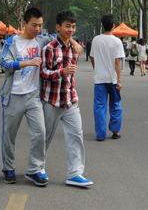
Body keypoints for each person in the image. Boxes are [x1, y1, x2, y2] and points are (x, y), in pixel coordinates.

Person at [40, 11, 93, 188]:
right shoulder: (49, 48)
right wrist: (60, 72)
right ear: (58, 27)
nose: (71, 30)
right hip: (51, 100)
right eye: (67, 26)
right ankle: (37, 167)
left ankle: (75, 173)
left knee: (76, 136)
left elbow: (72, 71)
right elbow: (43, 73)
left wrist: (75, 43)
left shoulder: (75, 48)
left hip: (70, 100)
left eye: (73, 27)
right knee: (44, 137)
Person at [0, 7, 49, 186]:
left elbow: (60, 39)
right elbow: (4, 62)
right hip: (13, 95)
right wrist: (27, 62)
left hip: (33, 95)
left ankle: (35, 169)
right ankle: (8, 168)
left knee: (40, 132)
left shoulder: (42, 40)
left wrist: (73, 42)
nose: (37, 29)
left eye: (40, 25)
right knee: (9, 135)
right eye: (34, 25)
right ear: (24, 23)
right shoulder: (12, 42)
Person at [90, 14, 124, 141]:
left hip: (99, 80)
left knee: (99, 107)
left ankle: (100, 134)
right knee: (115, 105)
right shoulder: (117, 41)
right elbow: (117, 62)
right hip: (113, 80)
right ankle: (115, 131)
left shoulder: (96, 40)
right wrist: (119, 81)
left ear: (102, 25)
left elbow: (92, 58)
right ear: (113, 26)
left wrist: (97, 69)